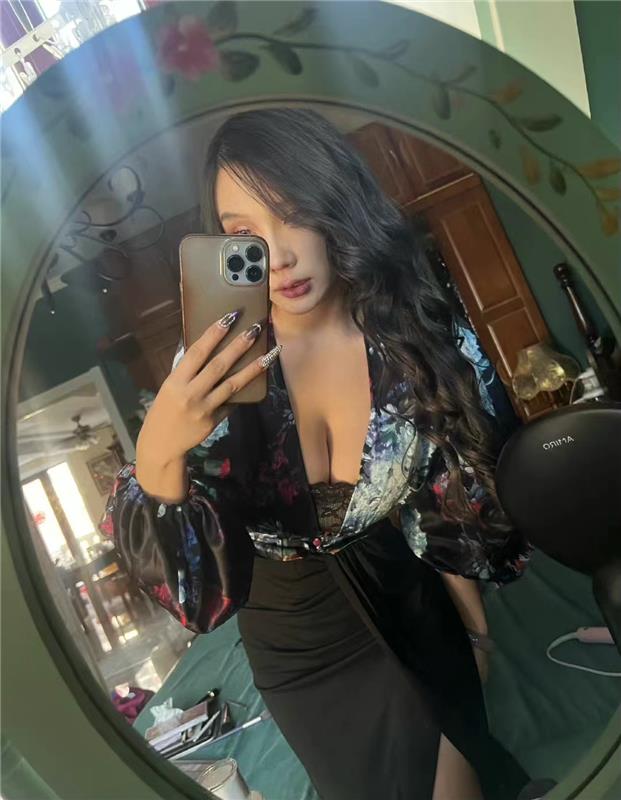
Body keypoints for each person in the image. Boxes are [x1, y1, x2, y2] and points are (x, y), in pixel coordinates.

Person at [101, 108, 532, 800]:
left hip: (408, 601)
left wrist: (477, 634)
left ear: (340, 205)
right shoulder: (215, 361)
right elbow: (190, 596)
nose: (278, 256)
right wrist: (158, 451)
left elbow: (450, 505)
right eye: (244, 233)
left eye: (296, 214)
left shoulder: (413, 335)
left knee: (464, 770)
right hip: (298, 646)